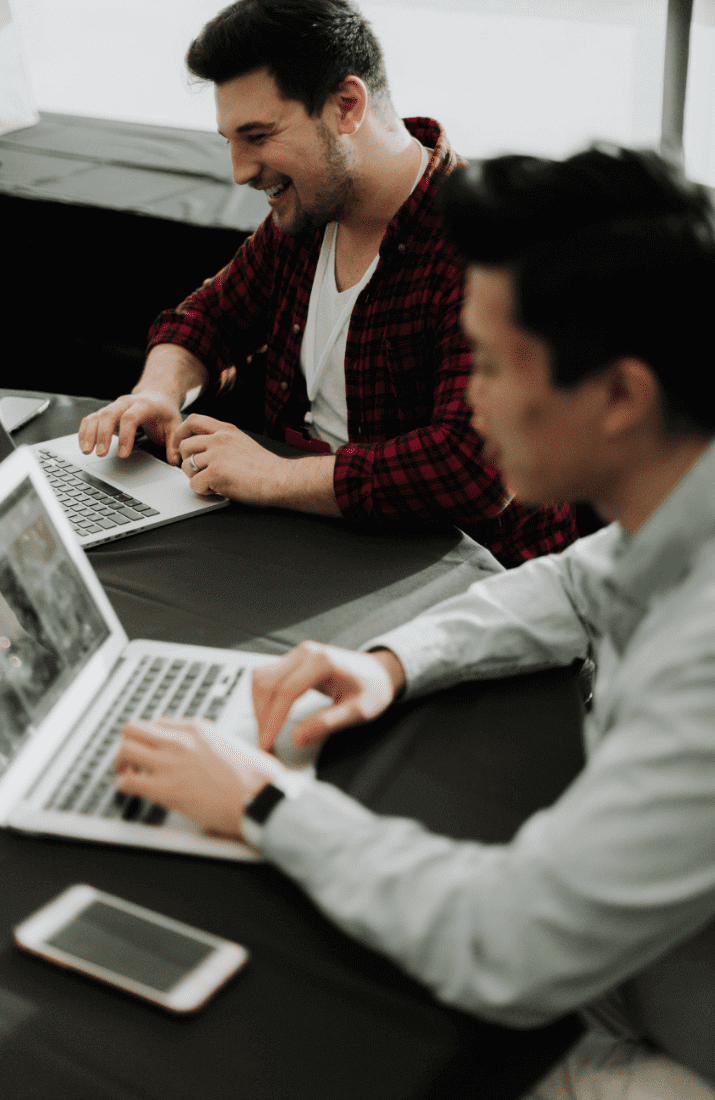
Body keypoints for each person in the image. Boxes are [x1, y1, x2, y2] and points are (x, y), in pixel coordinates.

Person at [115, 144, 715, 1098]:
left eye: (483, 363)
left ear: (619, 396)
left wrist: (268, 802)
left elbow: (508, 944)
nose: (465, 404)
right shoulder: (684, 500)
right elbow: (572, 584)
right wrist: (392, 660)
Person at [76, 0, 575, 568]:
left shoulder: (485, 244)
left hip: (465, 582)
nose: (239, 170)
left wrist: (277, 476)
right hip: (317, 544)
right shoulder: (308, 216)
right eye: (230, 140)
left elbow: (476, 467)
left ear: (346, 106)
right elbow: (207, 318)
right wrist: (157, 392)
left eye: (258, 136)